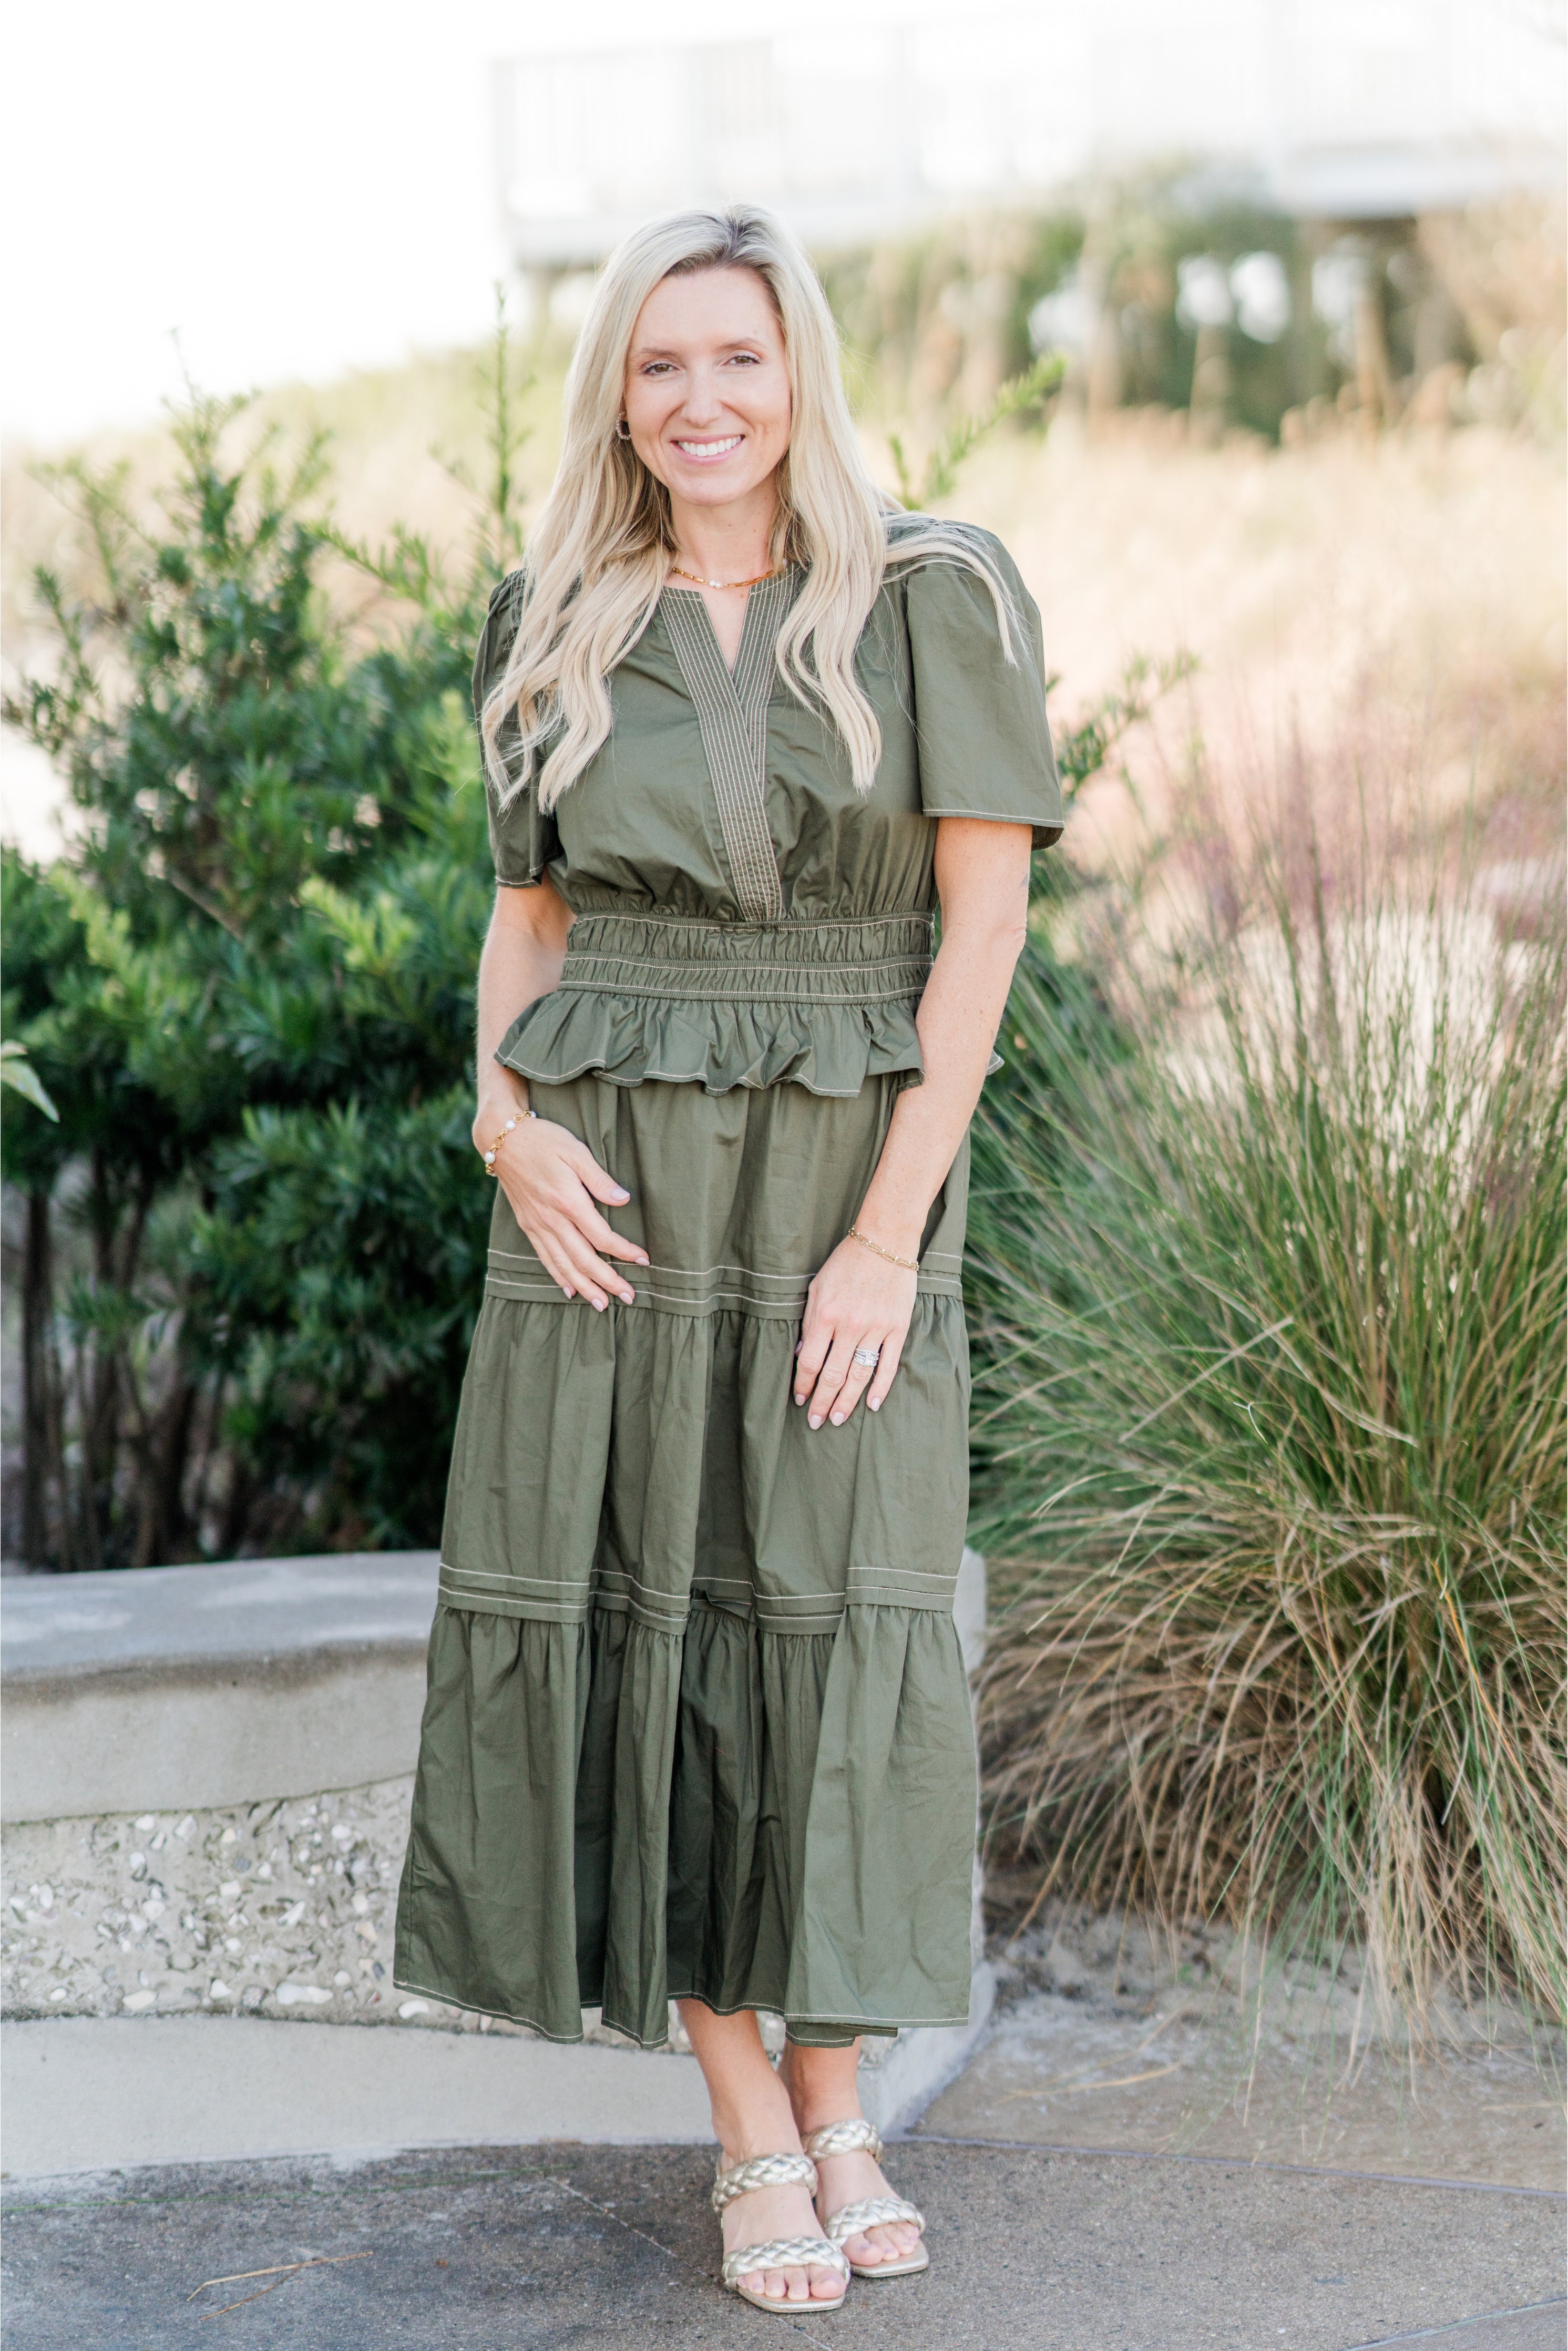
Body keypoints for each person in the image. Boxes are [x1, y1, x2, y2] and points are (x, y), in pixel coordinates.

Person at [394, 201, 1062, 2315]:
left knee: (838, 1619)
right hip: (604, 1198)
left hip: (847, 1190)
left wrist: (885, 1238)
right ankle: (752, 2117)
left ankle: (841, 2091)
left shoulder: (936, 595)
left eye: (738, 358)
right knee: (642, 1624)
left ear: (801, 374)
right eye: (661, 362)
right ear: (619, 390)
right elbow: (527, 920)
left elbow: (981, 929)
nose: (701, 400)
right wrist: (502, 1122)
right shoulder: (550, 619)